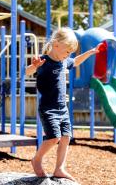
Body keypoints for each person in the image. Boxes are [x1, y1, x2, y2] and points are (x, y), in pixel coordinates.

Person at [26, 27, 100, 181]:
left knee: (66, 137)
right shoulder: (44, 61)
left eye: (70, 53)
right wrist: (34, 66)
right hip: (48, 108)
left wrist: (90, 52)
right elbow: (27, 71)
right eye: (67, 51)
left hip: (62, 109)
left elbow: (76, 61)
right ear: (56, 45)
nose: (68, 55)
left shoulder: (64, 61)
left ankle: (59, 168)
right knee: (54, 138)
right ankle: (37, 159)